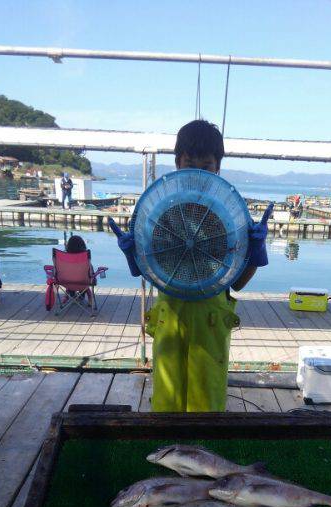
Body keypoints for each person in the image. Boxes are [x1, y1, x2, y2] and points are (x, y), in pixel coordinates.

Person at [111, 119, 272, 412]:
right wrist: (130, 252)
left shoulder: (231, 213)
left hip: (212, 321)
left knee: (207, 402)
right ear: (176, 163)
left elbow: (237, 282)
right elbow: (142, 272)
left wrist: (256, 249)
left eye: (207, 166)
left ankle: (206, 452)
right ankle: (167, 452)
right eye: (189, 163)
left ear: (218, 167)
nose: (198, 172)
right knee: (166, 399)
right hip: (169, 318)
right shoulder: (160, 212)